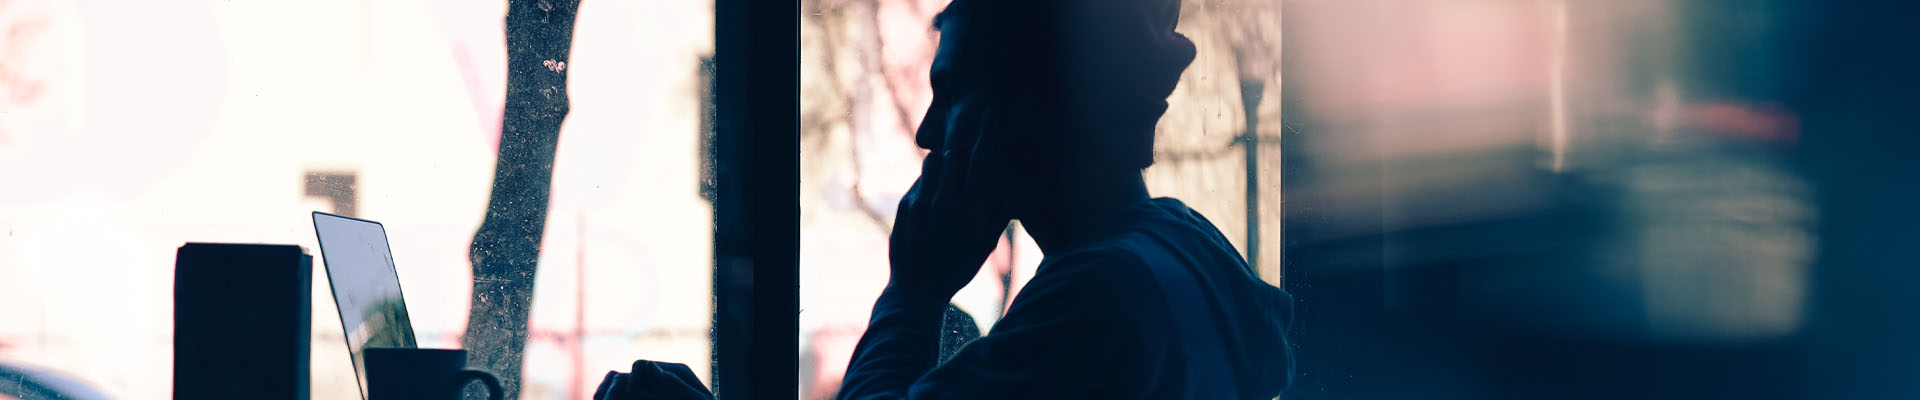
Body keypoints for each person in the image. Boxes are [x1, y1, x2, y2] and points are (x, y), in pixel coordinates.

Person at [836, 0, 1294, 398]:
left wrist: (913, 291)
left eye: (952, 93)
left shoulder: (1096, 296)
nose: (928, 131)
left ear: (1035, 103)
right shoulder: (1184, 244)